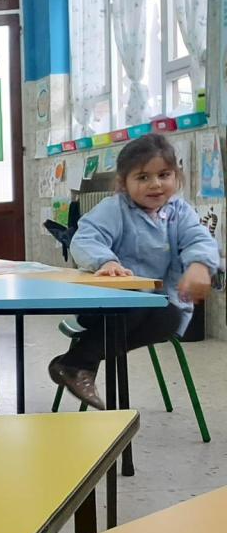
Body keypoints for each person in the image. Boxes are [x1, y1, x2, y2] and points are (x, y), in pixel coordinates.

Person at [49, 133, 220, 409]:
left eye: (164, 175)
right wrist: (106, 262)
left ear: (176, 176)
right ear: (123, 184)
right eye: (142, 177)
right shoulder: (114, 208)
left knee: (171, 317)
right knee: (136, 301)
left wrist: (200, 264)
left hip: (148, 307)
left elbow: (199, 240)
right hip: (103, 305)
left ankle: (76, 362)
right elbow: (85, 239)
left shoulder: (180, 212)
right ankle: (79, 363)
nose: (155, 184)